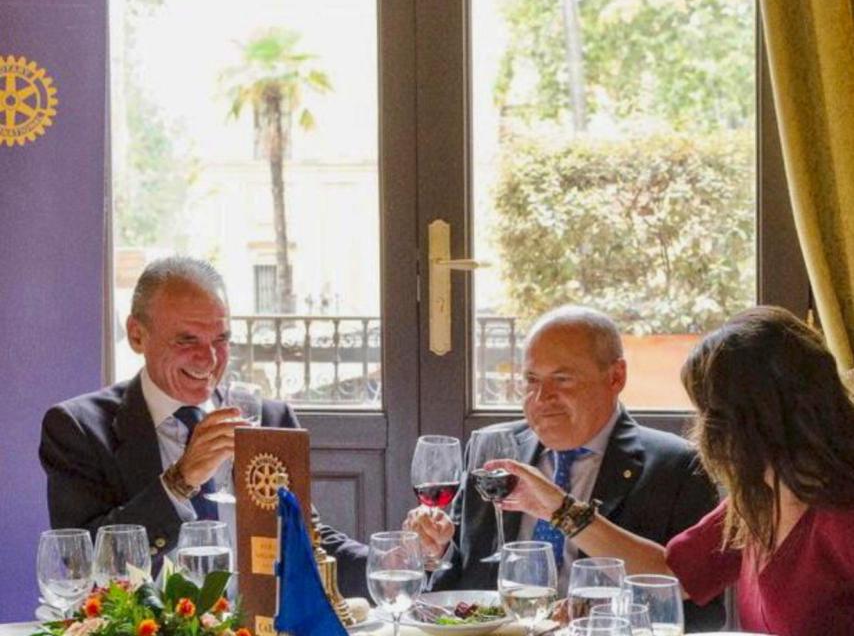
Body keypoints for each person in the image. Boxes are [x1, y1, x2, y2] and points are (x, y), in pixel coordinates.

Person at [490, 306, 854, 635]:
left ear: (756, 416)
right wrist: (558, 508)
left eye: (709, 412)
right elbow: (668, 573)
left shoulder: (841, 516)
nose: (703, 428)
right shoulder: (755, 501)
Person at [39, 256, 367, 597]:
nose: (209, 358)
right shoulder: (78, 428)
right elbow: (85, 568)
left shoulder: (269, 420)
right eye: (187, 340)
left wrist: (407, 565)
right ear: (137, 335)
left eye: (221, 339)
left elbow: (311, 546)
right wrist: (180, 481)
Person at [406, 306, 725, 630]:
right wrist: (439, 550)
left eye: (562, 379)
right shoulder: (494, 451)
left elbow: (703, 611)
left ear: (616, 377)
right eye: (532, 380)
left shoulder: (676, 466)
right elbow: (457, 581)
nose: (542, 397)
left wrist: (607, 611)